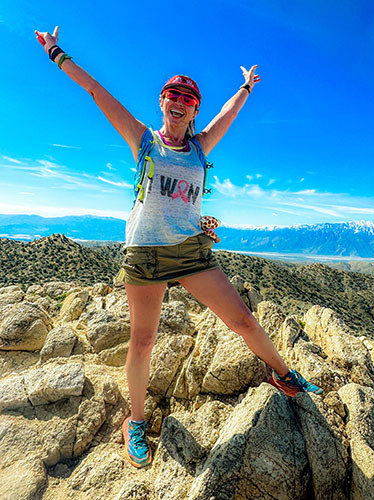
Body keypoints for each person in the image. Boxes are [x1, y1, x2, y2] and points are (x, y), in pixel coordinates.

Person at [35, 26, 324, 470]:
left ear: (194, 111)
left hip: (191, 252)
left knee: (242, 319)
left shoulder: (200, 147)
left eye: (188, 98)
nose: (178, 101)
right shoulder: (143, 140)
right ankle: (135, 424)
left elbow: (229, 114)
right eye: (172, 94)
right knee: (144, 339)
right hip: (145, 253)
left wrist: (246, 86)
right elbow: (97, 91)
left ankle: (283, 374)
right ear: (162, 102)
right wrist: (56, 52)